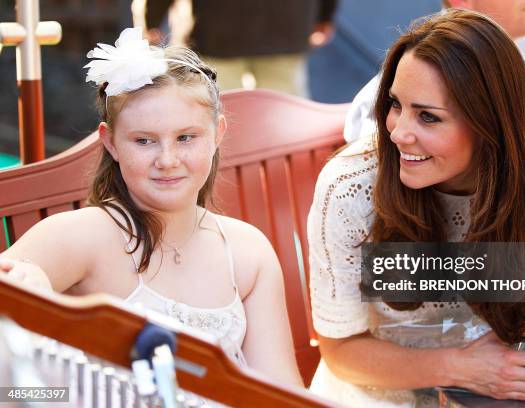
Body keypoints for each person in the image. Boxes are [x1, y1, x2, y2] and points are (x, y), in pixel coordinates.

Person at [307, 9, 525, 407]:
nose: (399, 132)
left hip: (501, 380)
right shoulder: (349, 187)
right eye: (395, 105)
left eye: (428, 117)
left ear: (489, 123)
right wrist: (463, 369)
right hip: (382, 389)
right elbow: (340, 352)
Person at [0, 27, 303, 387]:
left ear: (218, 134)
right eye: (144, 141)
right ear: (110, 143)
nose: (168, 159)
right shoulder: (82, 235)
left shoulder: (247, 251)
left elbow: (280, 389)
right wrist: (25, 285)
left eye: (186, 137)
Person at [345, 0, 525, 143]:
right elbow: (371, 153)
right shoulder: (429, 60)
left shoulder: (524, 42)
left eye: (427, 116)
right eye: (428, 116)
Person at [142, 0, 338, 97]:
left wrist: (151, 20)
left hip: (217, 30)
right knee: (285, 116)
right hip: (287, 26)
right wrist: (325, 16)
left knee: (220, 114)